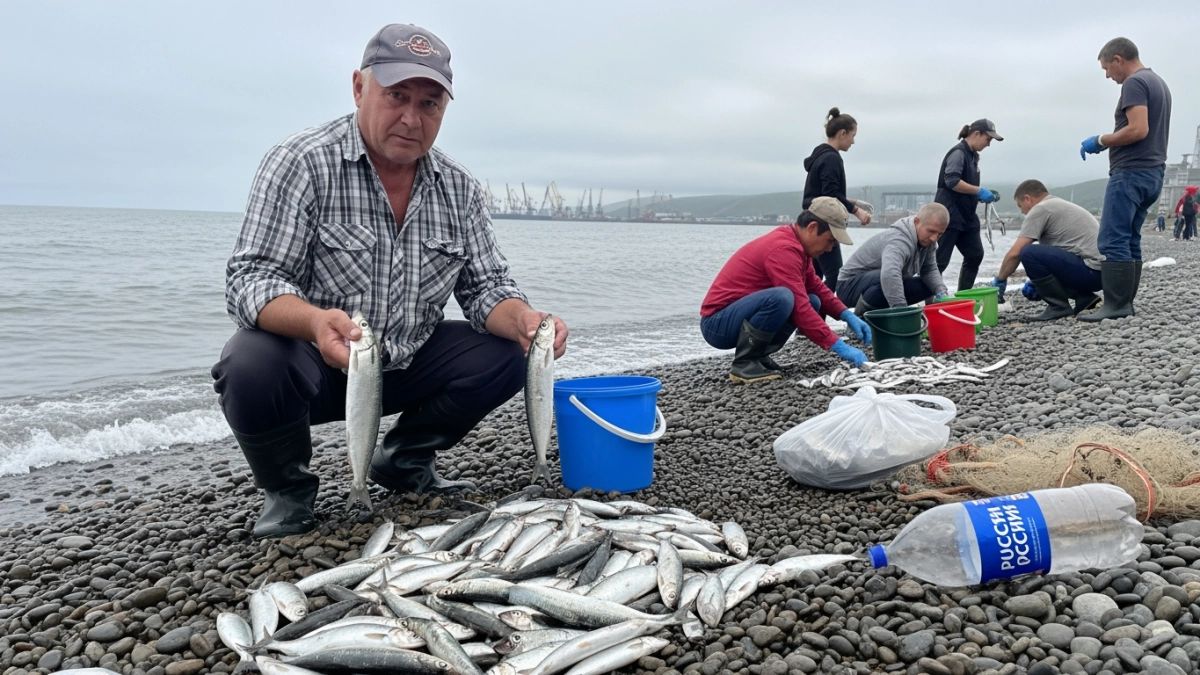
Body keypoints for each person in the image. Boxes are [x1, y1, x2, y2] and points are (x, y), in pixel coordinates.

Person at [210, 24, 569, 539]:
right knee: (249, 360)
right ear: (360, 87)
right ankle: (286, 489)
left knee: (511, 350)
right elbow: (250, 279)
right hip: (320, 364)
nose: (411, 117)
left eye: (429, 104)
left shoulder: (460, 189)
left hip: (408, 361)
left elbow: (486, 287)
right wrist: (314, 323)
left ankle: (403, 459)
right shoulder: (301, 162)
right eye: (396, 96)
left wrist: (528, 321)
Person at [700, 197, 873, 383]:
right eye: (830, 241)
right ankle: (745, 364)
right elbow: (799, 306)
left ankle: (758, 356)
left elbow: (815, 286)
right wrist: (836, 345)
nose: (830, 249)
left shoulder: (797, 245)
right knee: (783, 298)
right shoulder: (783, 250)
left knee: (813, 299)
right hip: (716, 325)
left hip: (733, 319)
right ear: (813, 228)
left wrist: (845, 314)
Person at [1078, 37, 1172, 321]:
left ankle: (1116, 305)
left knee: (1112, 238)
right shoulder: (1158, 82)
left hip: (1131, 172)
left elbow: (1138, 129)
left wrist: (1102, 139)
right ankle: (1124, 303)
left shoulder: (1135, 82)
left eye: (1107, 68)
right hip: (1153, 172)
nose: (1108, 75)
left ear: (1118, 59)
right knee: (1130, 237)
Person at [989, 180, 1104, 321]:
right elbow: (1060, 252)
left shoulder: (1041, 209)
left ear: (1027, 198)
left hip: (1091, 271)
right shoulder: (1058, 205)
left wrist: (1000, 280)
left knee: (1029, 252)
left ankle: (1059, 307)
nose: (1022, 211)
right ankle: (1084, 299)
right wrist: (1037, 281)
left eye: (1020, 206)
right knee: (1034, 254)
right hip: (1104, 273)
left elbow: (1016, 253)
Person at [803, 108, 874, 292]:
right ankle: (815, 320)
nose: (853, 141)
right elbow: (831, 195)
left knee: (814, 277)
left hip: (811, 219)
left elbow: (824, 192)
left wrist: (854, 202)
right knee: (835, 276)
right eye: (852, 135)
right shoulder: (832, 158)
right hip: (825, 223)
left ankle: (806, 319)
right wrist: (856, 211)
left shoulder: (820, 155)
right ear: (842, 133)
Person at [836, 203, 951, 313]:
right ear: (917, 222)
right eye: (931, 231)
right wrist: (901, 311)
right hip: (848, 286)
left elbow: (929, 270)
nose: (934, 238)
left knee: (929, 286)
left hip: (877, 281)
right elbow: (890, 274)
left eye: (939, 234)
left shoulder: (927, 242)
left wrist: (942, 293)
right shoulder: (898, 240)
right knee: (889, 278)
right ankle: (861, 317)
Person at [934, 119, 1003, 291]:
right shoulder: (958, 153)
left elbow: (966, 186)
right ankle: (932, 301)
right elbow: (952, 181)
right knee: (939, 262)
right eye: (988, 139)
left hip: (967, 217)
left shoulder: (973, 156)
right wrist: (978, 191)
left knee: (975, 255)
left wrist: (980, 195)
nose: (989, 144)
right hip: (949, 215)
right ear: (976, 134)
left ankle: (963, 295)